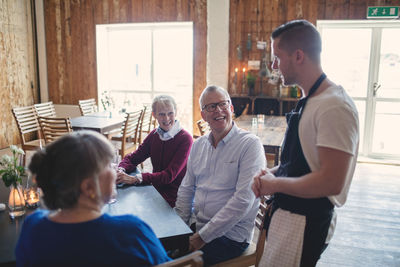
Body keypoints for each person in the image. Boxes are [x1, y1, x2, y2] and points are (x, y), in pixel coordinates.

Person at [251, 20, 359, 267]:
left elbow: (331, 181)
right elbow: (301, 163)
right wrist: (271, 173)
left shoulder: (334, 106)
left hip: (305, 220)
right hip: (287, 215)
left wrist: (274, 184)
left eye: (277, 57)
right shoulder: (310, 98)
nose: (273, 65)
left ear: (298, 56)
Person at [16, 131, 170, 266]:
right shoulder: (130, 232)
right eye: (109, 165)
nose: (115, 169)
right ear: (88, 187)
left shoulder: (33, 227)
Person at [175, 85, 266, 266]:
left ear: (231, 108)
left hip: (231, 237)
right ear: (203, 115)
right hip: (198, 226)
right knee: (154, 250)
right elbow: (186, 189)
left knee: (176, 263)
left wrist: (202, 237)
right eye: (211, 107)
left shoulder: (250, 145)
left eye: (222, 104)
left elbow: (243, 201)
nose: (218, 110)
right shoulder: (198, 145)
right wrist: (177, 228)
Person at [116, 95, 193, 207]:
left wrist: (135, 179)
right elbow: (133, 158)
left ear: (176, 112)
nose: (166, 118)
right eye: (161, 114)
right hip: (155, 189)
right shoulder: (154, 135)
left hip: (176, 197)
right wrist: (120, 170)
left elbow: (169, 176)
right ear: (154, 115)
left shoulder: (185, 138)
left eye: (170, 113)